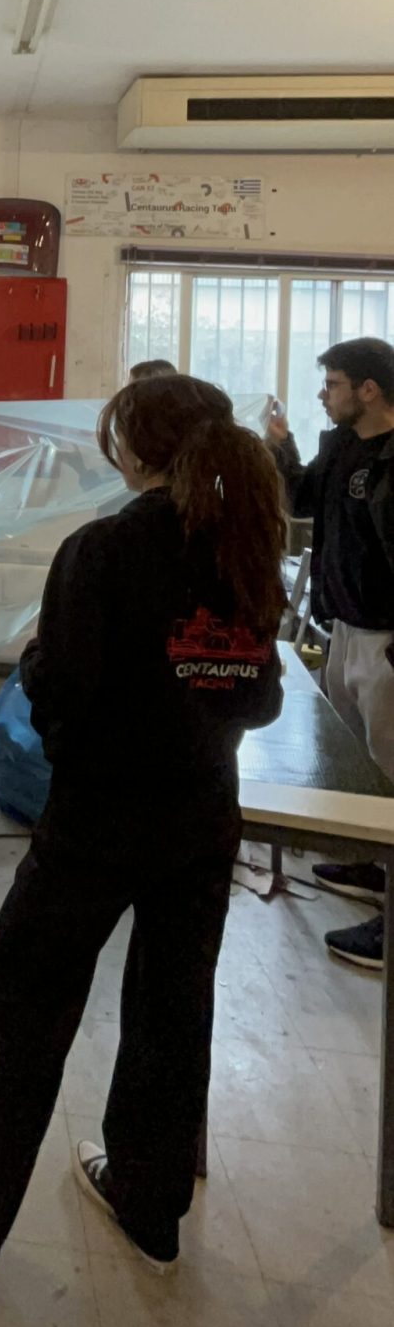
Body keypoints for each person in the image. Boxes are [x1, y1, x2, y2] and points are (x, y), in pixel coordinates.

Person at [0, 373, 285, 1291]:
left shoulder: (103, 549)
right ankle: (147, 1204)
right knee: (173, 1014)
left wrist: (46, 676)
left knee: (24, 1015)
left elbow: (57, 695)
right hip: (202, 817)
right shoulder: (243, 543)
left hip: (98, 822)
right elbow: (259, 698)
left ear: (134, 451)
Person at [268, 336, 394, 971]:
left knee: (393, 767)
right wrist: (282, 443)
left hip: (386, 640)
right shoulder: (343, 446)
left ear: (368, 390)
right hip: (344, 627)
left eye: (333, 383)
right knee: (362, 762)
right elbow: (299, 499)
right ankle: (373, 865)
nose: (323, 394)